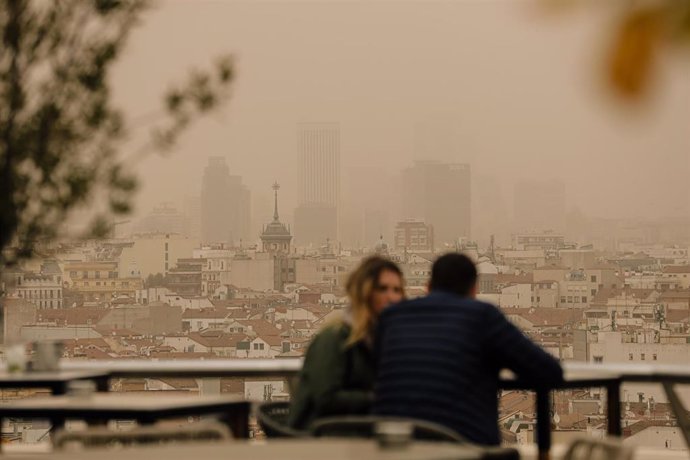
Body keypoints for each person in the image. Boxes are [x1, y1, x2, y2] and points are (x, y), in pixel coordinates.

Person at [373, 253, 563, 446]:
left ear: (428, 287)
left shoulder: (392, 317)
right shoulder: (482, 317)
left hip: (396, 446)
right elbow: (549, 371)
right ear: (473, 291)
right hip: (465, 446)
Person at [288, 256, 405, 430]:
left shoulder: (383, 339)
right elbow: (325, 398)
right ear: (364, 292)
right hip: (322, 437)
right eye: (382, 289)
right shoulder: (334, 338)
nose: (392, 297)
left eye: (397, 290)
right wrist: (378, 398)